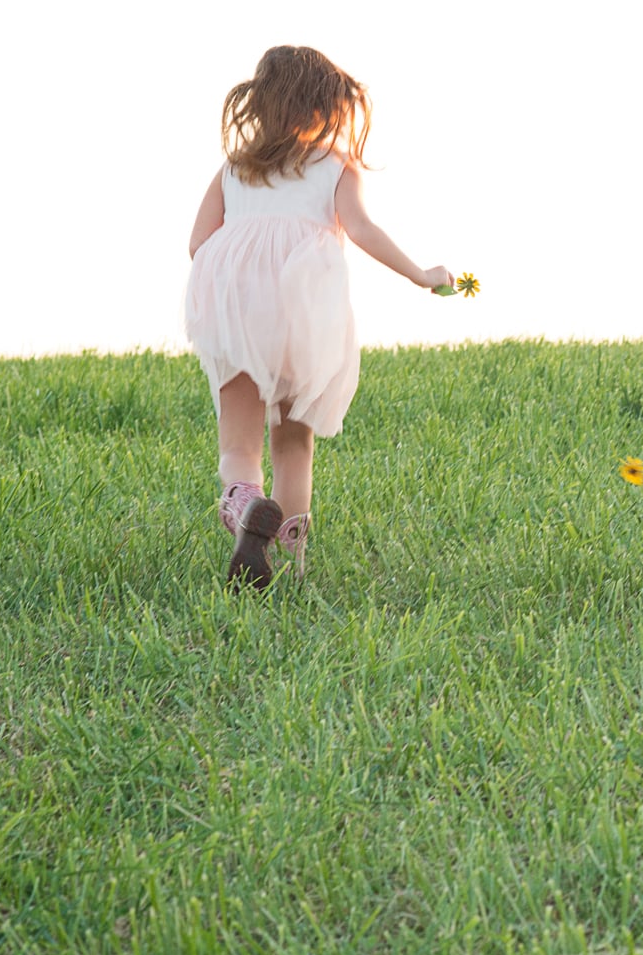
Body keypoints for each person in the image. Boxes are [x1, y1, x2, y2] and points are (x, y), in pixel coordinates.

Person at [183, 46, 453, 587]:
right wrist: (421, 274)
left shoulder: (234, 167)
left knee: (239, 445)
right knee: (292, 440)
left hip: (236, 312)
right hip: (302, 315)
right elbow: (362, 229)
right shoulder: (335, 164)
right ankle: (289, 561)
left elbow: (197, 245)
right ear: (325, 105)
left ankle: (245, 509)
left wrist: (238, 281)